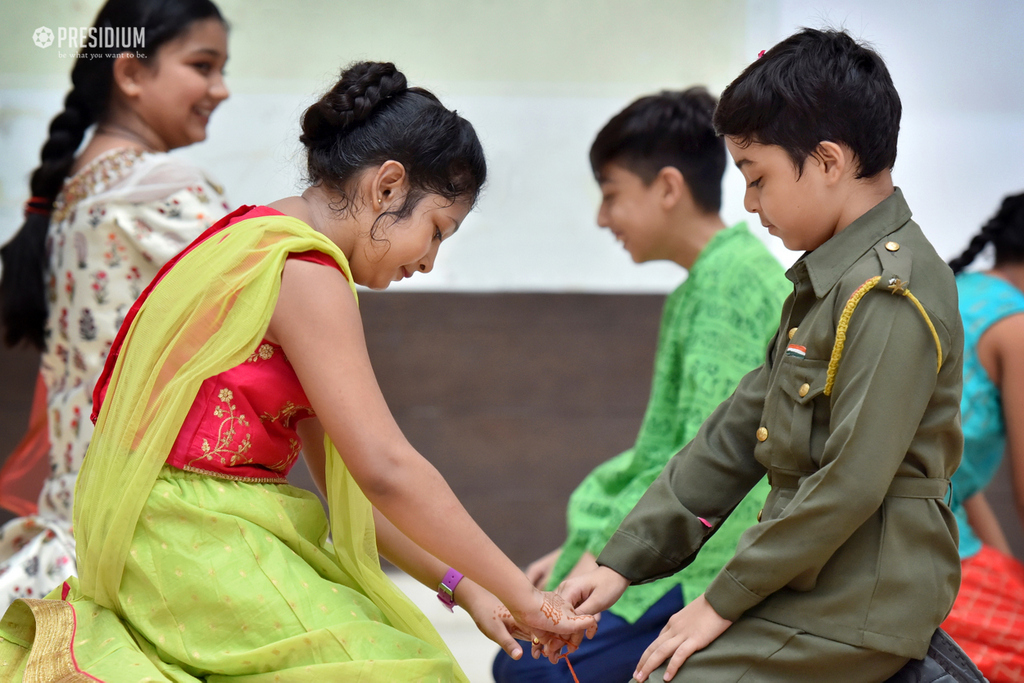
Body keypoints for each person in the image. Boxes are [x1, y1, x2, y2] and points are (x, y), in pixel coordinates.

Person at [0, 61, 596, 682]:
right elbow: (387, 469)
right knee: (405, 671)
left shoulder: (248, 236)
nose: (429, 262)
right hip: (193, 539)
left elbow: (356, 492)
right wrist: (529, 598)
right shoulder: (307, 270)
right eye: (437, 231)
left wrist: (470, 590)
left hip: (162, 533)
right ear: (388, 187)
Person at [556, 28, 965, 683]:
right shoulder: (826, 282)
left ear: (829, 161)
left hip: (864, 596)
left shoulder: (887, 289)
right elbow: (734, 434)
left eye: (757, 177)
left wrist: (717, 602)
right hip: (806, 580)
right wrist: (618, 561)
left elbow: (849, 483)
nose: (749, 203)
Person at [493, 88, 789, 683]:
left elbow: (705, 468)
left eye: (611, 196)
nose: (603, 219)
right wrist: (586, 549)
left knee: (529, 669)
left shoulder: (729, 284)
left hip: (707, 565)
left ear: (669, 188)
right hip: (677, 546)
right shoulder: (709, 281)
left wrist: (603, 559)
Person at [0, 0, 232, 611]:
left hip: (71, 514)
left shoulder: (71, 194)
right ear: (130, 73)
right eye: (203, 66)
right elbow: (269, 295)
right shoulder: (164, 192)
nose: (222, 89)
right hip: (135, 526)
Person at [940, 192, 1024, 683]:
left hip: (926, 527)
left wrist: (1009, 577)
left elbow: (954, 474)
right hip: (922, 552)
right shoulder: (1014, 325)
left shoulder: (957, 289)